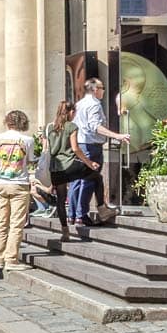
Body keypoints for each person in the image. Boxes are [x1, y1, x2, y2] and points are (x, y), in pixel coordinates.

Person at [72, 78, 131, 226]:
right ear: (94, 90)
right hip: (91, 145)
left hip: (81, 143)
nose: (104, 90)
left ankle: (72, 214)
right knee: (88, 180)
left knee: (78, 180)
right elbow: (95, 126)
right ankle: (81, 215)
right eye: (102, 87)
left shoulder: (79, 104)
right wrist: (117, 135)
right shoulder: (94, 105)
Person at [0, 110, 36, 273]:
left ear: (7, 122)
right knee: (16, 223)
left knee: (1, 222)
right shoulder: (27, 140)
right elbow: (30, 162)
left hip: (1, 183)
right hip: (19, 183)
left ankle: (0, 258)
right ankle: (11, 259)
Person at [47, 100, 102, 242]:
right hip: (69, 164)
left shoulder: (50, 128)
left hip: (55, 167)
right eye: (74, 112)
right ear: (70, 112)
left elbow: (48, 149)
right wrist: (89, 163)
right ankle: (102, 207)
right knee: (96, 176)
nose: (74, 115)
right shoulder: (72, 126)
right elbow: (76, 149)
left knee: (60, 199)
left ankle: (65, 232)